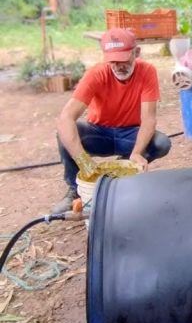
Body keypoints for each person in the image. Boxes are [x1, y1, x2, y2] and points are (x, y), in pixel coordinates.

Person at [52, 27, 171, 213]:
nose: (118, 66)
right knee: (65, 131)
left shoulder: (147, 71)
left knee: (161, 143)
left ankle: (121, 176)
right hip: (99, 133)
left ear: (136, 52)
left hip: (129, 135)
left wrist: (137, 153)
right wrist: (82, 160)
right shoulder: (96, 73)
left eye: (123, 59)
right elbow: (65, 117)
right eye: (113, 61)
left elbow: (148, 120)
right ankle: (75, 191)